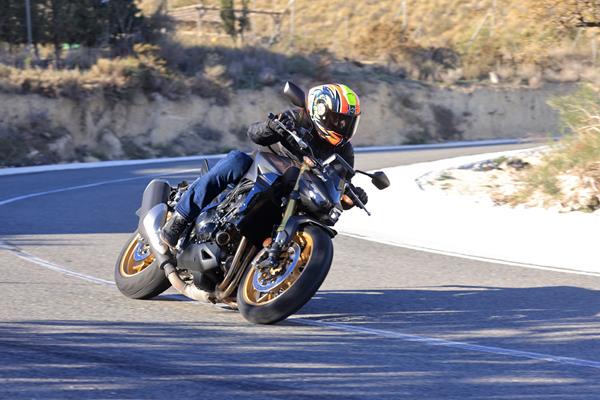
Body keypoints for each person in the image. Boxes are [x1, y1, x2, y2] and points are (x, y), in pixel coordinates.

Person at [160, 83, 369, 248]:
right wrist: (272, 126)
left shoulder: (344, 150)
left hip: (296, 190)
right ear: (321, 111)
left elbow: (340, 183)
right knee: (236, 159)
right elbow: (254, 134)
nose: (343, 126)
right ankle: (180, 219)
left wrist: (349, 197)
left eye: (348, 122)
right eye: (338, 120)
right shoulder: (298, 118)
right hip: (262, 172)